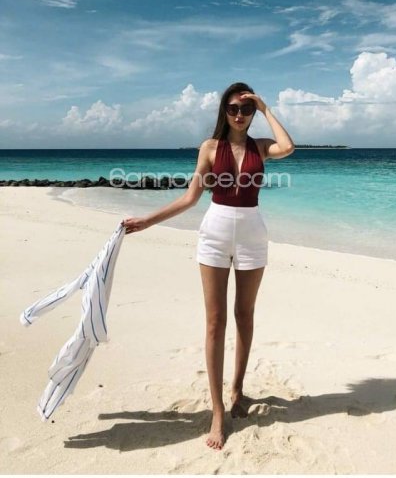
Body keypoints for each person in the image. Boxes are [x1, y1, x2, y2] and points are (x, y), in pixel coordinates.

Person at [123, 82, 295, 450]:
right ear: (224, 112)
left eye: (245, 109)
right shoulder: (210, 148)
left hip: (252, 234)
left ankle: (238, 391)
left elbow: (289, 146)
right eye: (233, 108)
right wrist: (148, 221)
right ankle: (217, 411)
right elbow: (190, 198)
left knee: (244, 315)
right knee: (215, 322)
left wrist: (265, 107)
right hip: (215, 233)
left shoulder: (261, 147)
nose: (239, 115)